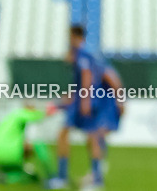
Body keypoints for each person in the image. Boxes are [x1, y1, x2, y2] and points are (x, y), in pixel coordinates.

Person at [47, 24, 109, 190]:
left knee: (89, 137)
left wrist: (84, 100)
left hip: (84, 101)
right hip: (84, 99)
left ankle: (82, 179)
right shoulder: (86, 53)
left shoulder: (82, 53)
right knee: (80, 136)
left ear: (74, 36)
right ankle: (90, 179)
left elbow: (87, 75)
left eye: (69, 36)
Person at [0, 102, 56, 184]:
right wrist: (46, 112)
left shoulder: (10, 118)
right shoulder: (21, 114)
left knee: (17, 167)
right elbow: (34, 116)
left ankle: (2, 174)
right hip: (10, 152)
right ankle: (52, 175)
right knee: (39, 145)